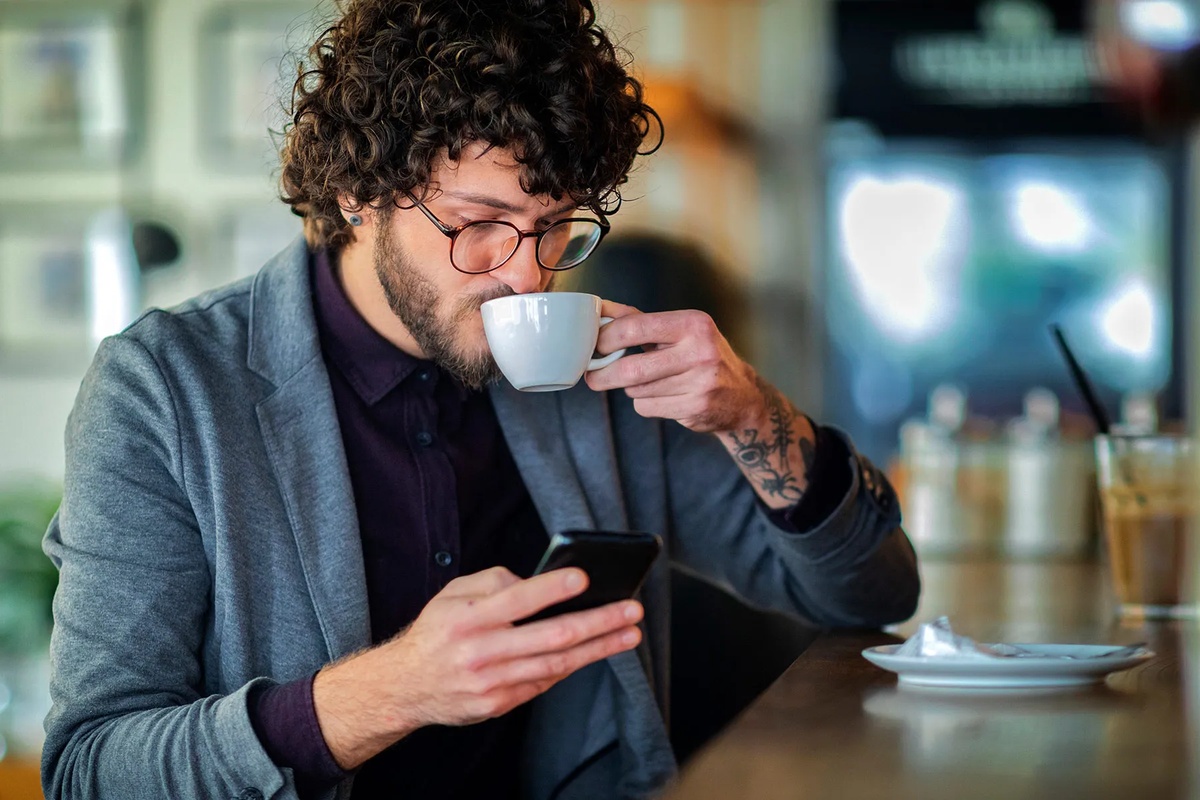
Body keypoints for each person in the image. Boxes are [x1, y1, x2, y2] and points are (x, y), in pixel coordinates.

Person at [41, 1, 919, 799]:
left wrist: (751, 415)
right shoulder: (164, 389)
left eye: (554, 228)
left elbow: (870, 593)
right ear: (358, 193)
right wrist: (392, 691)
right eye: (478, 224)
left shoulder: (594, 375)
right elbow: (91, 768)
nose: (524, 274)